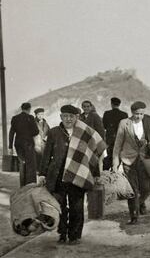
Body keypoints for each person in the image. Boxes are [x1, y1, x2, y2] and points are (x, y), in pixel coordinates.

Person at [39, 105, 106, 245]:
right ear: (60, 117)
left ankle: (74, 236)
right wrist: (42, 174)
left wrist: (96, 174)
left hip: (78, 175)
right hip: (58, 177)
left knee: (77, 207)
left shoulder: (84, 133)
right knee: (60, 206)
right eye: (65, 116)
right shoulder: (53, 132)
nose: (68, 119)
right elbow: (46, 155)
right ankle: (62, 234)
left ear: (77, 117)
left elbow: (92, 156)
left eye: (71, 116)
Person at [112, 101, 150, 225]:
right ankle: (134, 215)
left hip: (145, 159)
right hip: (128, 160)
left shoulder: (149, 123)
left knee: (145, 189)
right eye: (136, 114)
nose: (139, 116)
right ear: (132, 112)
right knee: (132, 190)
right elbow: (117, 144)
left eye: (141, 114)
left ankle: (140, 203)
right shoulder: (124, 123)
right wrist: (115, 164)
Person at [9, 102, 39, 187]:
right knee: (31, 165)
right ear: (29, 109)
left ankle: (22, 185)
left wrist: (10, 146)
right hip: (28, 144)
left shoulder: (15, 118)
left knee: (22, 163)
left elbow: (11, 133)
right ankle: (30, 185)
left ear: (22, 109)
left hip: (18, 144)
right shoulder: (30, 117)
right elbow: (36, 131)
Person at [102, 97, 128, 170]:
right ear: (119, 104)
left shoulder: (107, 113)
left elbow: (104, 125)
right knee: (118, 155)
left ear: (111, 104)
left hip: (110, 138)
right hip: (121, 137)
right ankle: (115, 169)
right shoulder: (124, 114)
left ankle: (107, 170)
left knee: (110, 154)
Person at [34, 108, 50, 173]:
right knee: (37, 159)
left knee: (44, 158)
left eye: (42, 114)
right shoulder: (33, 123)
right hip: (35, 144)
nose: (41, 116)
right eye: (39, 114)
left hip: (44, 144)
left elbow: (49, 132)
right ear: (36, 115)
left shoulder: (45, 123)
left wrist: (47, 136)